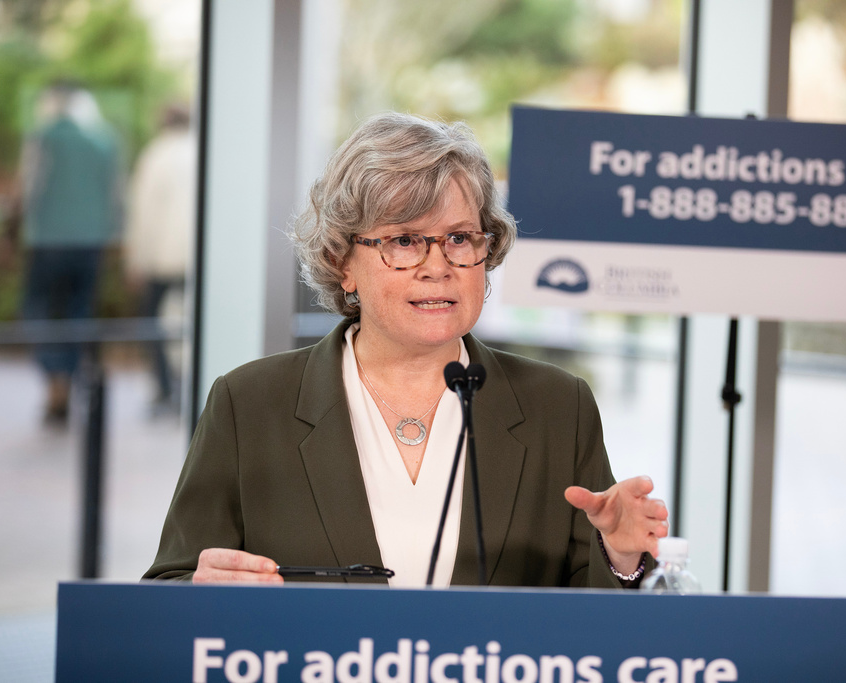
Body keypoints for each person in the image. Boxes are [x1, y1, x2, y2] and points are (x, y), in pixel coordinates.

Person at [144, 112, 667, 588]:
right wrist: (199, 593)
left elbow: (595, 625)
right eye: (404, 240)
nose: (438, 266)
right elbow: (165, 590)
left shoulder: (559, 405)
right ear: (341, 261)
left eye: (460, 238)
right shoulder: (249, 403)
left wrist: (621, 558)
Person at [20, 83, 123, 424]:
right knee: (79, 312)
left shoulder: (43, 136)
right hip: (90, 242)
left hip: (47, 241)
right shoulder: (105, 140)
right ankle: (69, 376)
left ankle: (55, 381)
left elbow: (30, 185)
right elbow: (115, 194)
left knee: (41, 310)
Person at [124, 103, 195, 413]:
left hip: (162, 258)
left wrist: (136, 260)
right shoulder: (202, 150)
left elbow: (143, 214)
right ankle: (189, 385)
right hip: (195, 258)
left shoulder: (154, 156)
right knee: (191, 321)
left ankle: (166, 389)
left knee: (155, 323)